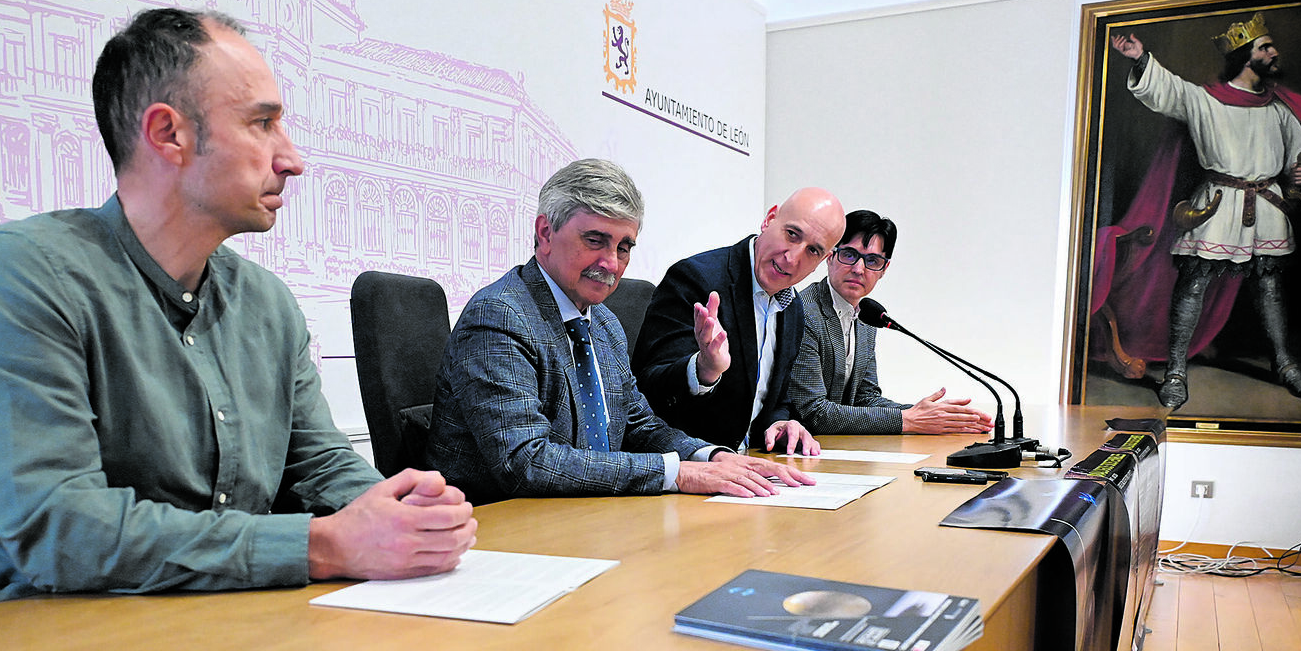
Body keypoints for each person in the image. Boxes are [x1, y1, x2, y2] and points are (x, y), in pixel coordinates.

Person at [0, 8, 476, 606]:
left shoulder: (266, 302)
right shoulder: (23, 273)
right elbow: (62, 531)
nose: (292, 159)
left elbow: (317, 463)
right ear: (168, 135)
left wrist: (400, 513)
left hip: (209, 614)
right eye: (262, 123)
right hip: (30, 638)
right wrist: (323, 545)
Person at [424, 158, 814, 504]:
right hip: (498, 529)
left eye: (624, 247)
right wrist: (677, 474)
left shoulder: (605, 323)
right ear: (545, 233)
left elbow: (639, 426)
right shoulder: (499, 315)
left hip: (583, 514)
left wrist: (711, 456)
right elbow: (526, 460)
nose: (611, 263)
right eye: (595, 241)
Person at [1106, 13, 1301, 409]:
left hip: (1267, 206)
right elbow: (1167, 90)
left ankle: (1284, 363)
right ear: (1246, 56)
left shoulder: (1279, 108)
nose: (1273, 52)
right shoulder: (1204, 99)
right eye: (1265, 47)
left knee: (1270, 287)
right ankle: (1175, 372)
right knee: (1193, 284)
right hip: (1217, 205)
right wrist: (1141, 59)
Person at [630, 187, 846, 455]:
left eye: (812, 250)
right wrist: (702, 370)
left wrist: (780, 422)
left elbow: (774, 398)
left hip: (748, 466)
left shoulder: (793, 308)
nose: (793, 257)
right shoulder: (696, 279)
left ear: (823, 261)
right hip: (688, 466)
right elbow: (646, 391)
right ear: (769, 219)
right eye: (792, 234)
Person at [786, 210, 993, 435]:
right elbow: (813, 413)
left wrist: (931, 415)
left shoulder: (866, 316)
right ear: (829, 256)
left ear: (884, 269)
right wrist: (908, 419)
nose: (858, 269)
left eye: (872, 260)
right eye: (849, 255)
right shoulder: (804, 312)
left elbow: (865, 399)